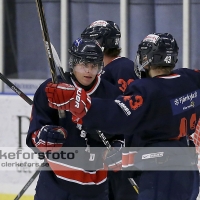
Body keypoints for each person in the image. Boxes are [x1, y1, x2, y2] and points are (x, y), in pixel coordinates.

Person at [45, 33, 200, 200]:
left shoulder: (147, 89)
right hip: (189, 170)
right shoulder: (190, 78)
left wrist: (80, 104)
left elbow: (118, 114)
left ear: (146, 58)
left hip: (160, 173)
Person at [26, 38, 123, 200]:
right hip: (54, 184)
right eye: (84, 65)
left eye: (94, 66)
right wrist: (46, 138)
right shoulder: (50, 89)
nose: (89, 71)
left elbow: (123, 133)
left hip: (95, 188)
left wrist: (117, 148)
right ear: (73, 63)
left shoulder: (112, 95)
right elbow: (34, 135)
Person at [81, 19, 139, 200]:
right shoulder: (113, 69)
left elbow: (131, 112)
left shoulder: (120, 69)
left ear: (99, 44)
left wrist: (121, 143)